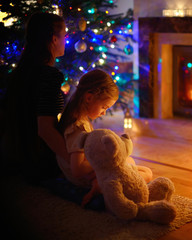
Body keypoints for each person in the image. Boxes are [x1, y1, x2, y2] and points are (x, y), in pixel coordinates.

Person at [57, 69, 152, 206]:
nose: (103, 113)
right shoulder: (78, 127)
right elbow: (77, 170)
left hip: (92, 173)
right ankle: (104, 187)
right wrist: (107, 159)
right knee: (147, 173)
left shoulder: (79, 119)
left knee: (131, 161)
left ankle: (105, 185)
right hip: (85, 178)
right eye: (104, 107)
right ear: (89, 98)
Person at [1, 12, 69, 182]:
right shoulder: (48, 76)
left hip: (12, 158)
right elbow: (46, 130)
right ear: (54, 39)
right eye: (64, 35)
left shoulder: (18, 74)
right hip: (37, 164)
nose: (65, 40)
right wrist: (73, 161)